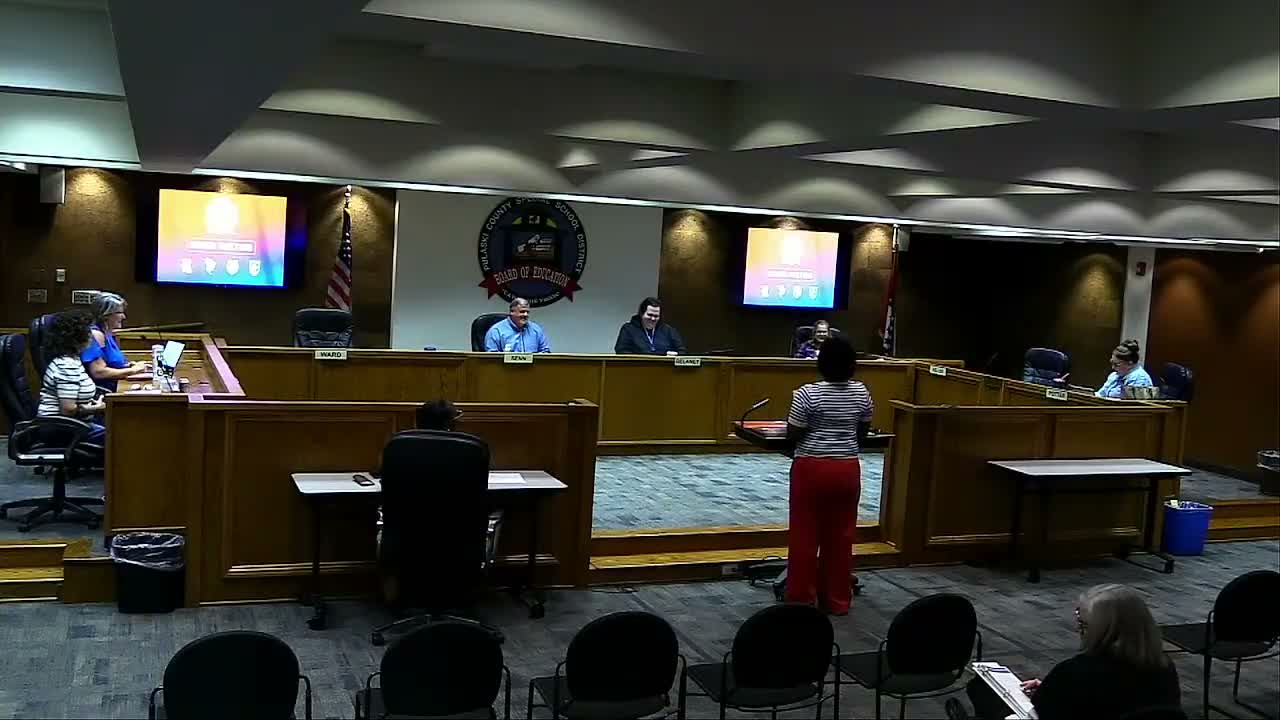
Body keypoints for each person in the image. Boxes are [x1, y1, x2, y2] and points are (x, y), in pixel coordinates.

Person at [963, 584, 1181, 720]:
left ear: (1098, 629)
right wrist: (1052, 689)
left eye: (1083, 625)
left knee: (982, 688)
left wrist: (1052, 690)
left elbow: (1047, 711)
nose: (1079, 631)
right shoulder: (1164, 666)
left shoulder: (1075, 672)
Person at [784, 335, 873, 615]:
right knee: (842, 536)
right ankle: (837, 600)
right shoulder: (861, 392)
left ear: (821, 363)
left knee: (805, 535)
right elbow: (862, 433)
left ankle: (801, 600)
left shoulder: (807, 394)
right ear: (852, 364)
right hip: (847, 469)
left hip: (812, 468)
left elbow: (793, 433)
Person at [38, 310, 107, 445]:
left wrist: (95, 404)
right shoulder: (67, 365)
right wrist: (98, 408)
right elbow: (68, 410)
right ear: (78, 337)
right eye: (88, 332)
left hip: (73, 425)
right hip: (61, 430)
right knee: (120, 433)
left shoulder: (73, 360)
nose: (92, 336)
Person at [82, 292, 149, 392]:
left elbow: (111, 363)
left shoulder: (108, 334)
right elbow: (98, 372)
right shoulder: (95, 335)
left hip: (116, 385)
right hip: (104, 392)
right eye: (119, 313)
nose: (123, 316)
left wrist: (130, 365)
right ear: (105, 315)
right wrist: (133, 370)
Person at [614, 297, 687, 355]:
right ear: (641, 314)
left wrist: (675, 354)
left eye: (656, 316)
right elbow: (621, 351)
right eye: (650, 315)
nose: (653, 319)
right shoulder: (628, 329)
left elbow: (682, 351)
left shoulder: (668, 330)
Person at [483, 297, 551, 353]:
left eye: (527, 312)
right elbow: (492, 358)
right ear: (512, 312)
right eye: (522, 312)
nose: (526, 315)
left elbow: (545, 352)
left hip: (532, 366)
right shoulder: (496, 331)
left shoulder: (536, 329)